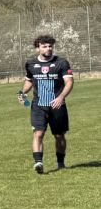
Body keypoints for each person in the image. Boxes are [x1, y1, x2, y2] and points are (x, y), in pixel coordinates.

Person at [21, 33, 73, 173]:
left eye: (50, 46)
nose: (48, 48)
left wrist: (61, 97)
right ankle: (38, 163)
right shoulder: (31, 64)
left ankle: (60, 163)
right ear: (37, 48)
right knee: (38, 134)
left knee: (59, 135)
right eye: (44, 46)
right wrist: (22, 92)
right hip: (38, 106)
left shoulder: (61, 63)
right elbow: (29, 80)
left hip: (57, 106)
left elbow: (69, 82)